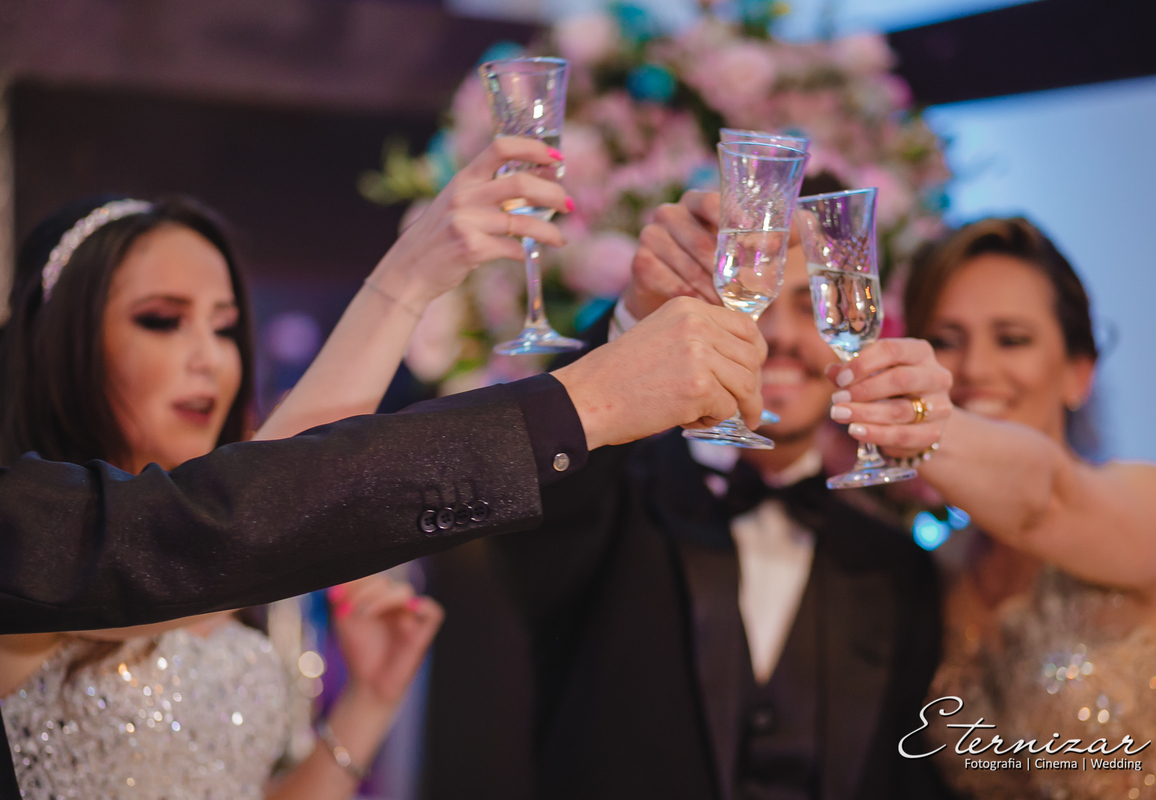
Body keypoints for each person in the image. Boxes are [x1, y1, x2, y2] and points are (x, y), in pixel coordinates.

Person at [0, 138, 768, 798]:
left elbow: (262, 498)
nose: (209, 358)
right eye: (162, 321)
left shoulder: (226, 571)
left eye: (227, 327)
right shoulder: (36, 555)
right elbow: (228, 522)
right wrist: (417, 287)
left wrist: (368, 703)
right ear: (67, 344)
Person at [453, 190, 955, 799]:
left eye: (811, 306)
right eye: (758, 299)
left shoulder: (896, 567)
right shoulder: (611, 500)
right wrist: (632, 319)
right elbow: (542, 479)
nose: (781, 335)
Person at [827, 217, 1156, 798]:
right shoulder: (939, 571)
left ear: (1078, 373)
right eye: (946, 340)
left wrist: (908, 420)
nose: (975, 369)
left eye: (1012, 339)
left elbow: (1044, 499)